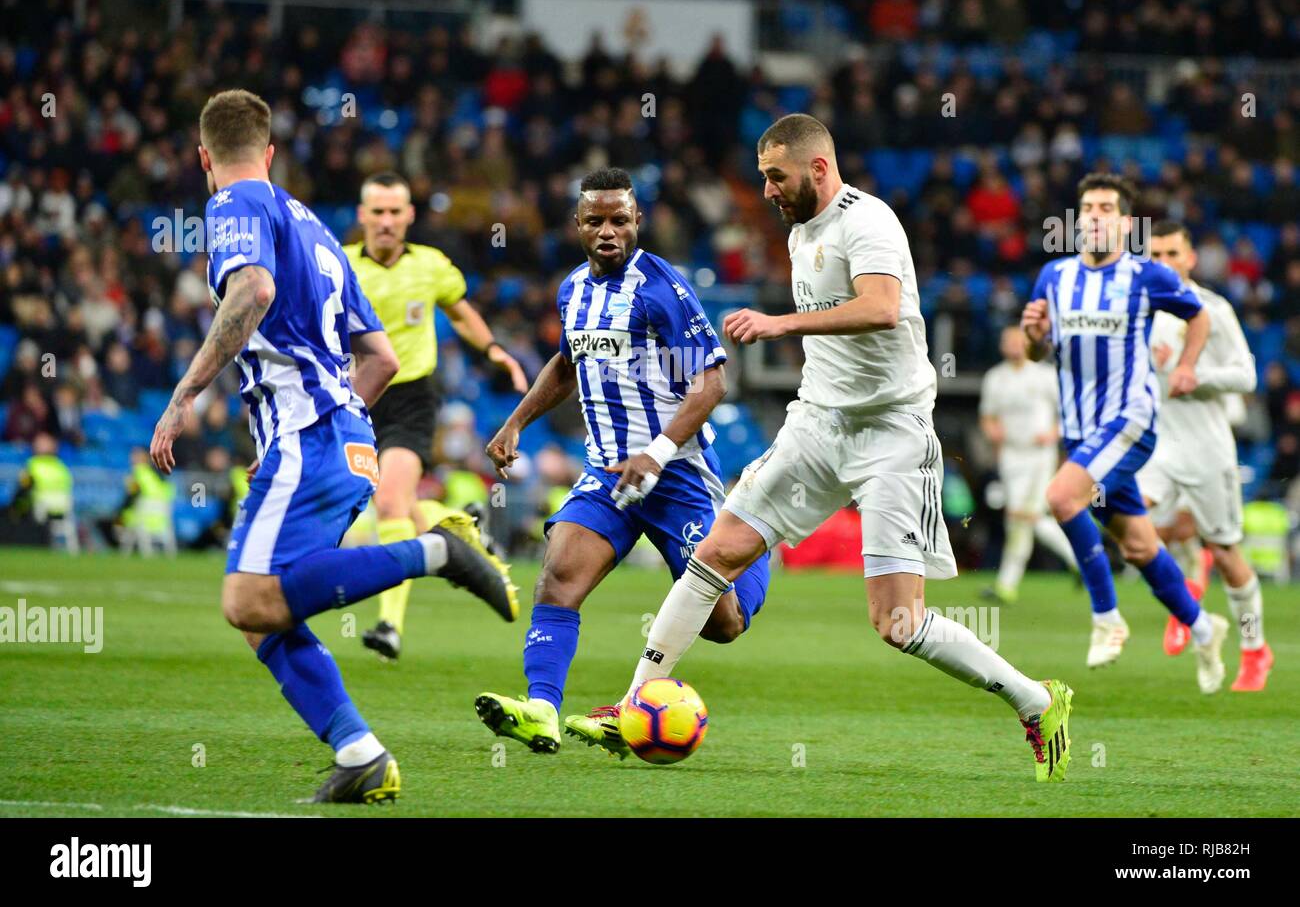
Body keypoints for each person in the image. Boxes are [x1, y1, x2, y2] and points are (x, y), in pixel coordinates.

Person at [593, 116, 1073, 782]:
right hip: (819, 424)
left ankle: (1036, 699)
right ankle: (629, 706)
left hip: (891, 436)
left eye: (776, 177)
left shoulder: (867, 222)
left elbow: (880, 307)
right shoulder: (799, 229)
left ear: (818, 169)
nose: (766, 190)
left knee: (899, 623)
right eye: (762, 177)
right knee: (716, 552)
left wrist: (780, 322)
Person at [149, 89, 517, 804]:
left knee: (245, 601)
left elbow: (251, 289)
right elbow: (379, 357)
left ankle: (436, 551)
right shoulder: (315, 228)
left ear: (204, 157)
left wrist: (186, 392)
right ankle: (361, 753)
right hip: (342, 437)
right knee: (264, 617)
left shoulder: (234, 205)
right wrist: (327, 426)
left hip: (312, 436)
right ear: (271, 149)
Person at [476, 166, 771, 756]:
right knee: (557, 580)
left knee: (725, 624)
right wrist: (516, 421)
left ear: (637, 221)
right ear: (578, 226)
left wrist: (656, 454)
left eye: (618, 220)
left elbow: (711, 385)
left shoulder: (662, 289)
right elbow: (566, 364)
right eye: (595, 221)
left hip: (677, 474)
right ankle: (541, 708)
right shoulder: (571, 291)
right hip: (607, 473)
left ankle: (759, 535)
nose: (607, 231)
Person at [1021, 173, 1230, 692]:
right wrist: (1032, 337)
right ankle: (1206, 630)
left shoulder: (1145, 275)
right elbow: (1038, 351)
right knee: (1139, 544)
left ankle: (1107, 616)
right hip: (1081, 432)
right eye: (1087, 206)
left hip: (1130, 421)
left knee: (1060, 497)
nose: (1094, 215)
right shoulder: (1054, 276)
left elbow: (1198, 315)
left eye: (1106, 208)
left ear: (1125, 222)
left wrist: (1186, 365)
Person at [343, 172, 528, 660]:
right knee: (397, 510)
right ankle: (459, 527)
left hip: (410, 398)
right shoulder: (339, 266)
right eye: (376, 212)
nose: (385, 221)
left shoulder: (430, 266)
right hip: (355, 399)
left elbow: (461, 310)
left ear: (409, 216)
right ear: (362, 216)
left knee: (388, 505)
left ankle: (389, 625)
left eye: (393, 212)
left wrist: (494, 350)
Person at [1141, 220, 1271, 690]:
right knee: (1128, 525)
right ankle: (1189, 605)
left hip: (1207, 450)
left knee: (1227, 550)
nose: (1164, 263)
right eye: (1155, 254)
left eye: (1173, 254)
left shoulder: (1213, 309)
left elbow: (1246, 376)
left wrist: (1198, 375)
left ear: (1191, 258)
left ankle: (1255, 647)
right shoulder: (1141, 310)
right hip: (1155, 449)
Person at [978, 325, 1077, 603]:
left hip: (1039, 454)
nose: (1012, 345)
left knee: (1021, 517)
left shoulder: (1045, 375)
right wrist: (992, 432)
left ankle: (1006, 586)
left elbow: (1067, 412)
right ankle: (1080, 561)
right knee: (1028, 519)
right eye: (1007, 340)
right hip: (1011, 454)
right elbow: (987, 416)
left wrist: (1054, 433)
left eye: (1017, 340)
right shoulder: (995, 378)